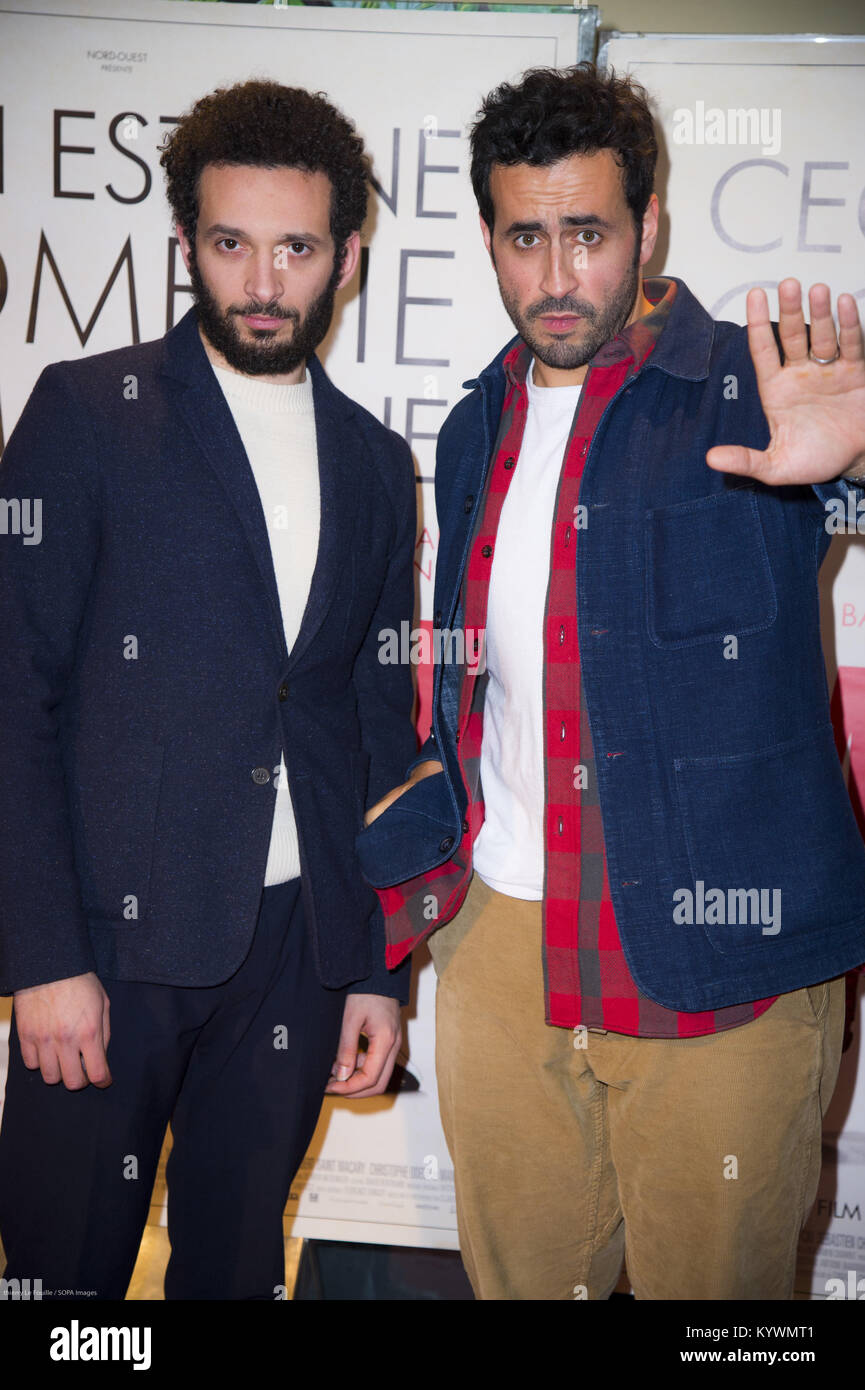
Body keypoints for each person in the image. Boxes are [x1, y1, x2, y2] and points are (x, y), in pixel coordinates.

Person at [356, 63, 865, 1300]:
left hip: (719, 945)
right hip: (499, 946)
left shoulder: (751, 386)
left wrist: (851, 472)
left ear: (647, 226)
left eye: (586, 233)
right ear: (488, 235)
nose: (554, 274)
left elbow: (831, 488)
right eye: (524, 236)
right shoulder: (474, 423)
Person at [0, 79, 416, 1300]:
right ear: (186, 243)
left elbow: (374, 718)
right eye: (231, 245)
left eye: (294, 249)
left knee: (235, 1274)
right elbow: (12, 693)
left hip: (292, 945)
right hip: (107, 958)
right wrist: (38, 956)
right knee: (68, 1289)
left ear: (345, 254)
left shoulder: (379, 464)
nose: (261, 283)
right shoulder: (86, 412)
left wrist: (373, 965)